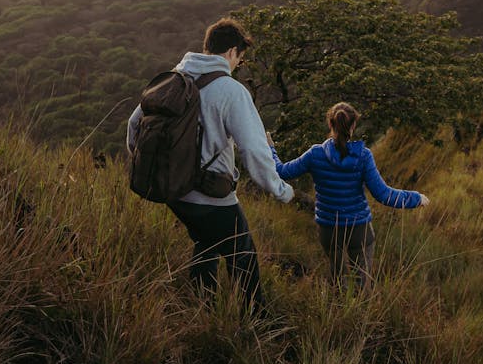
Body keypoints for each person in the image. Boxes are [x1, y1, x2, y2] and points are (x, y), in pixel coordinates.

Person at [127, 17, 293, 312]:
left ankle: (200, 309)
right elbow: (254, 151)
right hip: (211, 195)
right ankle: (257, 321)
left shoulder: (172, 79)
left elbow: (133, 126)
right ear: (232, 52)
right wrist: (281, 190)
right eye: (239, 59)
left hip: (174, 192)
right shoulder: (231, 91)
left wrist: (161, 167)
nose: (237, 65)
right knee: (243, 256)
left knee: (207, 242)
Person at [268, 102, 429, 290]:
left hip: (328, 228)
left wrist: (270, 148)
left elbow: (281, 171)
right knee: (362, 283)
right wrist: (416, 198)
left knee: (337, 280)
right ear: (353, 126)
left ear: (331, 124)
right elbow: (383, 194)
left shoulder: (315, 154)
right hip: (358, 227)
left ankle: (339, 314)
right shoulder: (363, 156)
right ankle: (360, 317)